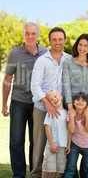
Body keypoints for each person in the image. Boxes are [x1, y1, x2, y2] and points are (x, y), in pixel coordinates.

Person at [1, 22, 47, 178]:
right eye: (27, 33)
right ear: (23, 35)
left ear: (38, 35)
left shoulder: (45, 53)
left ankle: (35, 173)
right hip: (18, 101)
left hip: (38, 104)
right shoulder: (15, 53)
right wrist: (4, 104)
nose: (30, 36)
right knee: (16, 140)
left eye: (33, 33)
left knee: (36, 141)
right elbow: (7, 79)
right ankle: (18, 174)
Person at [30, 27, 70, 178]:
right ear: (50, 41)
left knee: (61, 143)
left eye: (60, 39)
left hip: (62, 110)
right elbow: (35, 85)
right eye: (54, 39)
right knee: (40, 145)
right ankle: (36, 175)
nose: (57, 42)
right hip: (42, 108)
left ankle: (60, 174)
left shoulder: (69, 59)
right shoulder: (42, 60)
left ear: (65, 40)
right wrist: (47, 103)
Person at [62, 33, 88, 177]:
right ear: (76, 45)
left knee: (86, 143)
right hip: (71, 105)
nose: (82, 48)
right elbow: (66, 85)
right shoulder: (68, 63)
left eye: (86, 46)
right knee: (71, 144)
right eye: (80, 45)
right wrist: (70, 107)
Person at [64, 92, 88, 178]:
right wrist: (69, 145)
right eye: (77, 100)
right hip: (75, 144)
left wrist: (87, 116)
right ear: (73, 102)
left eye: (83, 100)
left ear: (87, 104)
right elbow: (71, 131)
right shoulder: (70, 115)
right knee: (70, 168)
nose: (80, 102)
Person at [42, 90, 68, 178]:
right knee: (49, 170)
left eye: (55, 96)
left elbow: (69, 131)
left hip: (62, 147)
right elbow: (47, 127)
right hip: (52, 145)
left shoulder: (66, 113)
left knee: (59, 171)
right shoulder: (51, 113)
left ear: (61, 96)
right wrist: (52, 143)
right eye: (51, 99)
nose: (54, 99)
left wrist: (68, 145)